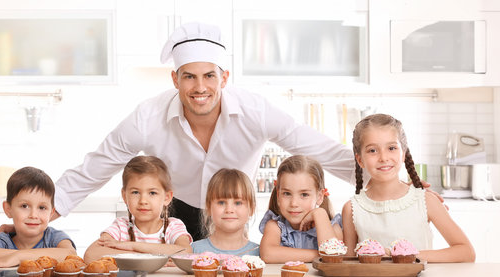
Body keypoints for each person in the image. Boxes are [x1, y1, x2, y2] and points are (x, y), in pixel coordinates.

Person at [49, 22, 355, 241]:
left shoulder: (256, 112)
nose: (200, 87)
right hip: (172, 215)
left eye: (209, 75)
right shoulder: (147, 117)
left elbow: (316, 147)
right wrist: (36, 219)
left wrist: (380, 181)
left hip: (232, 211)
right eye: (189, 77)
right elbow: (97, 166)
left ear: (224, 78)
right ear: (174, 79)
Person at [341, 114, 475, 262]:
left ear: (403, 154)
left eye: (391, 148)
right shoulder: (352, 209)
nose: (383, 157)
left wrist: (407, 256)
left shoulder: (425, 201)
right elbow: (349, 263)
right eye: (372, 150)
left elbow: (466, 252)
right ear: (360, 160)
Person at [83, 156, 192, 263]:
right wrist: (146, 258)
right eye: (135, 192)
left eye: (152, 193)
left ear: (167, 197)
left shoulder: (173, 226)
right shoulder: (121, 226)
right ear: (125, 196)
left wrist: (130, 246)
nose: (143, 201)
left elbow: (185, 252)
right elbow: (91, 255)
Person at [0, 167, 76, 268]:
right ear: (8, 209)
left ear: (51, 213)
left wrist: (19, 256)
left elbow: (70, 254)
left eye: (42, 207)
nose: (33, 215)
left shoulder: (54, 237)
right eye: (24, 206)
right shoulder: (5, 241)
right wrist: (23, 255)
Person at [259, 155, 343, 263]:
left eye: (304, 194)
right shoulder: (275, 227)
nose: (294, 203)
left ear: (320, 196)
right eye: (287, 193)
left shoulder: (333, 227)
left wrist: (320, 214)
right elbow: (268, 254)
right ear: (278, 195)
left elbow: (333, 257)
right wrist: (320, 255)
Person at [192, 168, 259, 256]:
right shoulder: (193, 251)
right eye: (221, 202)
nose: (229, 210)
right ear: (208, 207)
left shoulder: (261, 254)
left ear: (252, 209)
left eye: (238, 203)